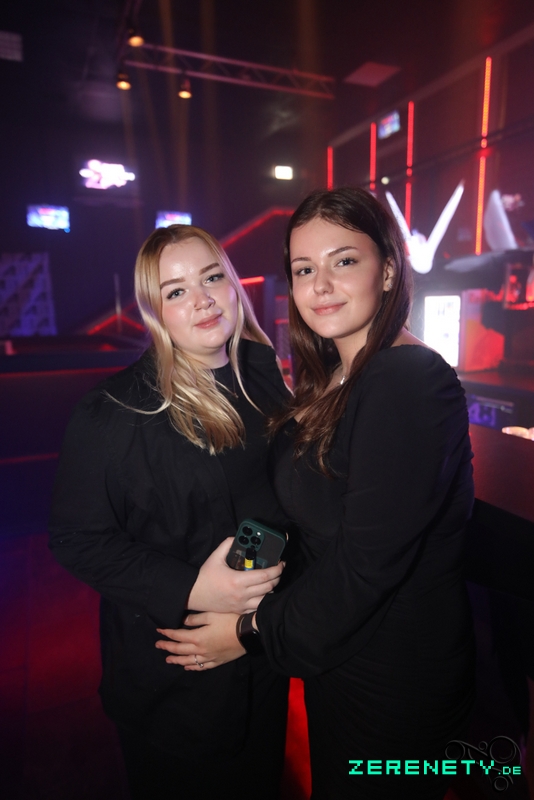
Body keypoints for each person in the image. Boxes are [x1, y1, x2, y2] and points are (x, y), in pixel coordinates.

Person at [156, 188, 476, 799]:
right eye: (304, 269)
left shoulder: (407, 379)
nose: (321, 285)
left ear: (388, 270)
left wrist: (246, 632)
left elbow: (366, 567)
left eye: (344, 261)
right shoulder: (335, 376)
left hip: (394, 680)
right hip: (344, 659)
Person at [48, 224, 292, 800]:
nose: (202, 299)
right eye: (176, 291)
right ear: (153, 311)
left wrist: (252, 620)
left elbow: (275, 506)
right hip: (176, 682)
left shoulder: (262, 376)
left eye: (212, 278)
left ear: (233, 285)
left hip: (261, 657)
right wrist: (193, 589)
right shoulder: (115, 410)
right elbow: (76, 539)